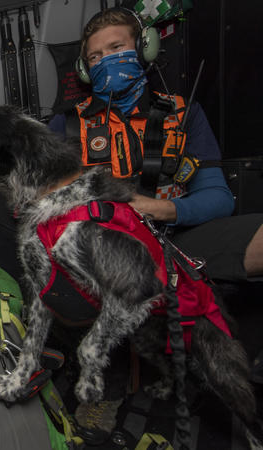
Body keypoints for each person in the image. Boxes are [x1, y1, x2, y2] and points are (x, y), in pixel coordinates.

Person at [47, 7, 263, 444]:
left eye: (117, 48)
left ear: (143, 49)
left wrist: (157, 208)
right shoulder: (67, 126)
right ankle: (107, 384)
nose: (107, 60)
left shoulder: (182, 115)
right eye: (95, 57)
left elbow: (218, 197)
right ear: (85, 72)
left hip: (178, 236)